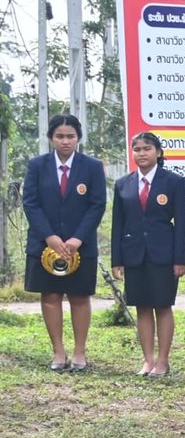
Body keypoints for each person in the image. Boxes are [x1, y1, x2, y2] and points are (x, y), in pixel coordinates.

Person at [22, 113, 106, 372]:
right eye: (59, 136)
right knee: (50, 296)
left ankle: (80, 352)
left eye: (70, 136)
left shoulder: (92, 167)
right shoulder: (37, 165)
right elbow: (30, 203)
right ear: (51, 138)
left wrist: (77, 238)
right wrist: (49, 237)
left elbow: (97, 205)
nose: (65, 141)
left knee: (79, 297)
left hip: (80, 245)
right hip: (44, 244)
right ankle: (58, 352)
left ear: (78, 138)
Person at [110, 132, 185, 377]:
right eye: (137, 149)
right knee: (142, 307)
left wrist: (179, 260)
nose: (142, 153)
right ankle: (148, 360)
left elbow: (182, 224)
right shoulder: (123, 184)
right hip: (133, 254)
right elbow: (118, 224)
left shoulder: (173, 182)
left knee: (163, 306)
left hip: (163, 255)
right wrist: (117, 260)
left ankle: (163, 361)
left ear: (158, 152)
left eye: (147, 149)